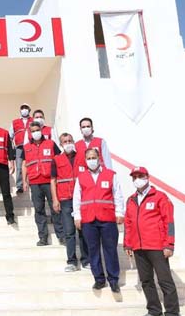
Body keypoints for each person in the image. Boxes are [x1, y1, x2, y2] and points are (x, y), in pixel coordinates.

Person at [124, 166, 182, 316]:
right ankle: (154, 310)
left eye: (140, 176)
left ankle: (172, 314)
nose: (137, 179)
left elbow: (169, 221)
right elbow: (128, 223)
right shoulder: (131, 200)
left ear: (147, 177)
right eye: (134, 177)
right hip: (138, 246)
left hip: (157, 246)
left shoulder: (160, 197)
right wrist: (128, 243)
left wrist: (169, 244)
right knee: (146, 280)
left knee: (165, 280)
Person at [73, 148, 124, 292]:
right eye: (88, 158)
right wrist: (77, 216)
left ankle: (113, 280)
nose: (91, 160)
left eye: (93, 157)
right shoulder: (81, 177)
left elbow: (118, 195)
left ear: (99, 158)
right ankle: (99, 279)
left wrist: (120, 212)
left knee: (110, 249)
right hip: (89, 219)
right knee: (93, 251)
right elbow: (77, 198)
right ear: (85, 160)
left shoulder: (110, 175)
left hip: (107, 218)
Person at [50, 133, 89, 271]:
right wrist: (55, 199)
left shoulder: (83, 157)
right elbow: (53, 180)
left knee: (83, 230)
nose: (68, 143)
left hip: (82, 199)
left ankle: (86, 260)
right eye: (65, 142)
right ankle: (72, 261)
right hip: (65, 199)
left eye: (70, 141)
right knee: (69, 231)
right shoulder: (56, 160)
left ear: (74, 141)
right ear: (61, 145)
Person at [22, 121, 63, 246]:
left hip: (49, 181)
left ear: (41, 130)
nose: (36, 132)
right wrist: (24, 181)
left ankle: (61, 235)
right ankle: (43, 237)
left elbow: (59, 159)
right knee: (39, 210)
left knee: (55, 208)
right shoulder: (26, 147)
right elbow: (24, 165)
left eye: (37, 130)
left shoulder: (50, 144)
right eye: (33, 131)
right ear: (30, 133)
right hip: (35, 182)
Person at [10, 103, 33, 194]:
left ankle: (32, 183)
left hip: (31, 146)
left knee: (32, 165)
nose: (24, 109)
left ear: (29, 110)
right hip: (19, 147)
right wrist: (11, 148)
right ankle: (19, 186)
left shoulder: (33, 120)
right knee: (19, 166)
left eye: (26, 108)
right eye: (22, 108)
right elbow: (10, 136)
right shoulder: (15, 122)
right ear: (20, 110)